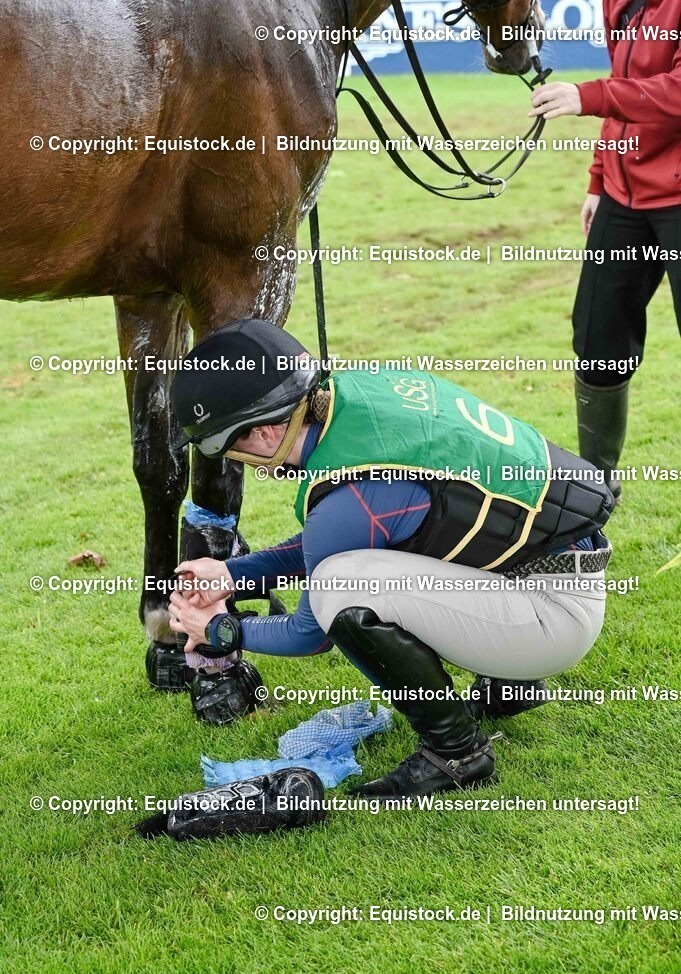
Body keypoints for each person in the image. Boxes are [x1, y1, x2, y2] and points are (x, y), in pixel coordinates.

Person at [169, 319, 614, 799]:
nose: (238, 462)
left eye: (230, 447)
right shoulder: (363, 394)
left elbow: (309, 633)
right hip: (557, 570)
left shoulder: (346, 499)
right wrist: (232, 573)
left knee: (340, 587)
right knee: (362, 563)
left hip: (553, 619)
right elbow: (359, 525)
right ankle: (511, 685)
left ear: (261, 433)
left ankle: (457, 754)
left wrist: (218, 629)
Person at [529, 0, 681, 498]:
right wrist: (599, 178)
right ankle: (595, 496)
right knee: (597, 344)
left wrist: (585, 95)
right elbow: (625, 85)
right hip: (624, 194)